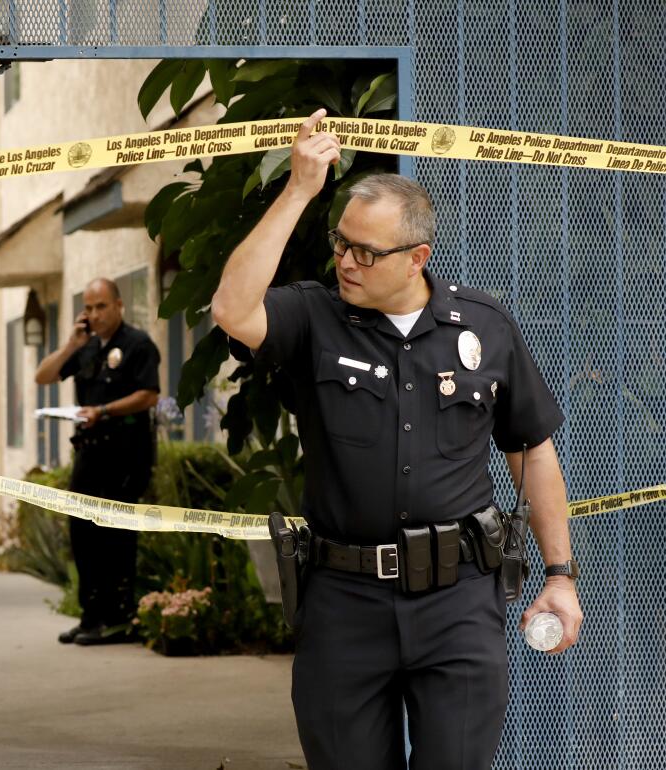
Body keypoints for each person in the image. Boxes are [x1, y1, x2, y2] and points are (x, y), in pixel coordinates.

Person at [210, 109, 583, 769]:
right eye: (340, 243)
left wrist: (560, 576)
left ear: (418, 258)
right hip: (344, 602)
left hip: (458, 599)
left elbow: (530, 449)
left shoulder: (484, 327)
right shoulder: (314, 318)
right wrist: (299, 189)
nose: (346, 262)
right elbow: (233, 310)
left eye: (367, 252)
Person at [34, 278, 160, 645]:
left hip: (125, 455)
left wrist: (103, 410)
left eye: (101, 306)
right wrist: (72, 344)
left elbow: (149, 395)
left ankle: (118, 620)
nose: (94, 314)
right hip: (89, 454)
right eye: (88, 307)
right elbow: (43, 376)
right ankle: (90, 618)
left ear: (119, 305)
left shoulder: (138, 344)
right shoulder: (86, 347)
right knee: (83, 534)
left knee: (116, 537)